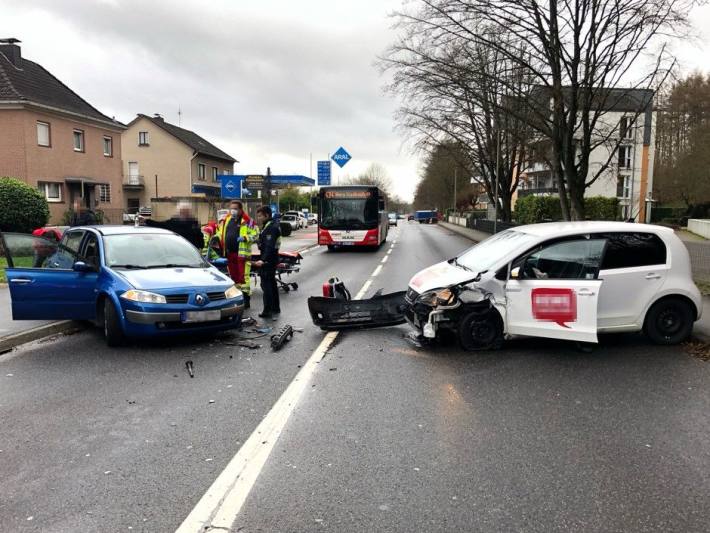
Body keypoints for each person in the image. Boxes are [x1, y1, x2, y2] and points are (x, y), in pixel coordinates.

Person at [216, 200, 259, 309]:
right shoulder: (227, 219)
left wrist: (245, 238)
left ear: (240, 209)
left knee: (243, 278)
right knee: (234, 278)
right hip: (229, 253)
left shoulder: (248, 221)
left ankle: (246, 299)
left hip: (242, 255)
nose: (233, 211)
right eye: (231, 208)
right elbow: (220, 232)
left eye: (235, 208)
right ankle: (237, 299)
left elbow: (256, 234)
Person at [253, 205, 282, 320]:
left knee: (266, 285)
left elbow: (269, 246)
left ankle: (267, 310)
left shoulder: (271, 228)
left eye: (260, 216)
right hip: (272, 258)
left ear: (267, 215)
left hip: (268, 260)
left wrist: (263, 260)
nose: (258, 218)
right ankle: (275, 307)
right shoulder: (269, 226)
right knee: (272, 284)